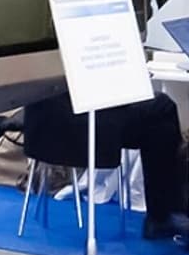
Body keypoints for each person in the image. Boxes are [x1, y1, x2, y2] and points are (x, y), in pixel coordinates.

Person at [25, 91, 189, 240]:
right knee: (161, 110)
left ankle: (163, 215)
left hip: (51, 115)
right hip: (77, 116)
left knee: (159, 112)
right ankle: (162, 214)